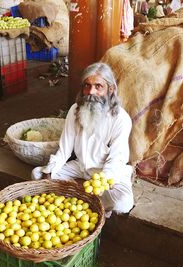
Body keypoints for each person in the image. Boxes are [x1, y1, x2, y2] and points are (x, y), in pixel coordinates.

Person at [31, 62, 134, 216]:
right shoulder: (75, 110)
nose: (90, 92)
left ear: (110, 89)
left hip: (106, 173)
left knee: (122, 202)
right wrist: (50, 170)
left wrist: (100, 182)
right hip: (80, 167)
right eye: (87, 85)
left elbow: (117, 159)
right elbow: (64, 149)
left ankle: (78, 194)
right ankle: (83, 196)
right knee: (37, 174)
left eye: (98, 86)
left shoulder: (120, 119)